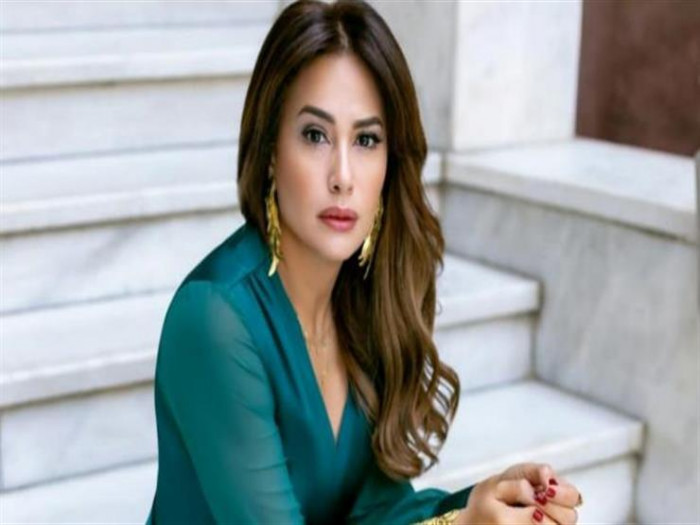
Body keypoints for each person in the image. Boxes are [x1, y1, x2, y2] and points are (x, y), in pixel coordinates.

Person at [144, 1, 583, 523]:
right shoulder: (215, 320)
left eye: (367, 140)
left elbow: (376, 510)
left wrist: (489, 503)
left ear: (389, 164)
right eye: (315, 135)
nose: (343, 176)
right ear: (270, 151)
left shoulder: (359, 300)